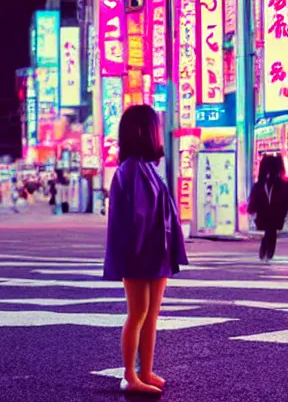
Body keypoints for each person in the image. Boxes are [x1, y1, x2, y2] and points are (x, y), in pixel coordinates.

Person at [103, 104, 187, 395]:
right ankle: (130, 375)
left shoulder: (144, 168)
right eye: (155, 127)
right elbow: (135, 217)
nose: (159, 133)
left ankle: (146, 370)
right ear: (143, 132)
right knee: (138, 311)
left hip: (155, 251)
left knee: (151, 313)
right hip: (139, 253)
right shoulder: (130, 170)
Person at [249, 154, 288, 262]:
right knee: (270, 231)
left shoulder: (281, 186)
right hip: (268, 214)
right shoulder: (261, 185)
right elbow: (254, 198)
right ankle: (267, 251)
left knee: (270, 231)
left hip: (274, 214)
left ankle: (267, 251)